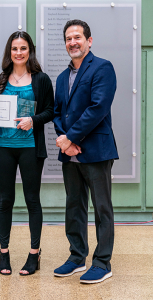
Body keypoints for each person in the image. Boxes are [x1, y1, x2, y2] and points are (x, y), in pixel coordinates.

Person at [53, 20, 119, 284]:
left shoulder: (102, 68)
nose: (73, 42)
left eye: (77, 37)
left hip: (96, 150)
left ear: (89, 41)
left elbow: (98, 107)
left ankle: (102, 263)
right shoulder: (61, 77)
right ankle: (77, 257)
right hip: (70, 154)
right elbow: (58, 113)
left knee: (102, 208)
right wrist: (66, 141)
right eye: (68, 38)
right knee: (74, 205)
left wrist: (70, 137)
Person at [0, 31, 54, 276]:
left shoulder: (41, 79)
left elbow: (50, 111)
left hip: (30, 148)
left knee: (32, 200)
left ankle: (34, 254)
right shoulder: (0, 80)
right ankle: (4, 254)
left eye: (23, 48)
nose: (18, 53)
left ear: (30, 51)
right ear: (9, 52)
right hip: (4, 146)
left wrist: (33, 120)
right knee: (5, 201)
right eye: (14, 48)